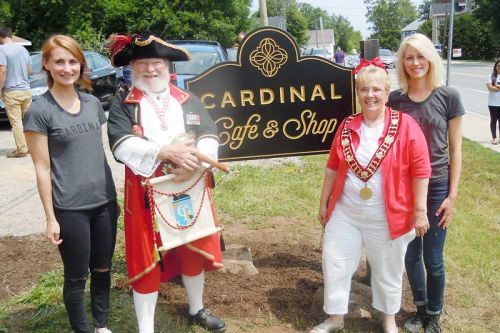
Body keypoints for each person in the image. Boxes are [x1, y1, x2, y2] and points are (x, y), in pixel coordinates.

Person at [106, 33, 225, 333]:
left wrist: (198, 160)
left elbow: (209, 134)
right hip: (146, 194)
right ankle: (146, 328)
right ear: (132, 67)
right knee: (145, 258)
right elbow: (120, 144)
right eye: (142, 63)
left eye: (156, 63)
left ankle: (197, 308)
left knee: (191, 247)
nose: (150, 70)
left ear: (168, 67)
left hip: (187, 187)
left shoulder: (187, 100)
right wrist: (162, 152)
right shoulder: (124, 104)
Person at [310, 59, 431, 333]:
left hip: (388, 216)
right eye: (364, 90)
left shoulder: (406, 125)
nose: (370, 95)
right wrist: (324, 203)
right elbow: (332, 166)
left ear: (387, 93)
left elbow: (422, 170)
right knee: (335, 262)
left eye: (377, 89)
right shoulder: (347, 125)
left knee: (388, 270)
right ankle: (335, 319)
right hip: (346, 212)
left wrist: (420, 211)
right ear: (358, 93)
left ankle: (388, 321)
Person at [23, 35, 118, 333]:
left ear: (81, 64)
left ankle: (101, 325)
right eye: (60, 62)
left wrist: (114, 198)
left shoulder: (92, 104)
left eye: (72, 61)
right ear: (47, 65)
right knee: (77, 277)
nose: (67, 68)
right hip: (70, 209)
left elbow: (96, 153)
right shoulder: (39, 111)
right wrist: (51, 217)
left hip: (104, 203)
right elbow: (41, 167)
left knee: (102, 269)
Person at [388, 33, 465, 333]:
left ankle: (434, 314)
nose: (415, 62)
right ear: (403, 63)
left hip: (437, 187)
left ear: (430, 59)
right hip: (405, 188)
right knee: (410, 253)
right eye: (409, 57)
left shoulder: (449, 97)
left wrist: (452, 195)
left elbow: (456, 149)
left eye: (421, 56)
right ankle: (420, 309)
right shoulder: (395, 101)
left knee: (433, 256)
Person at [0, 26, 32, 158]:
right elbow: (30, 70)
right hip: (26, 90)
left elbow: (2, 70)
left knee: (16, 122)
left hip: (12, 91)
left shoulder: (1, 49)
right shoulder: (23, 49)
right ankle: (32, 146)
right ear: (10, 35)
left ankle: (22, 149)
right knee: (29, 120)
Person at [486, 60, 500, 144]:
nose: (499, 67)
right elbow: (490, 88)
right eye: (498, 65)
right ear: (495, 66)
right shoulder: (490, 76)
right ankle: (494, 138)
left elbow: (493, 88)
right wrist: (497, 87)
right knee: (493, 121)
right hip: (493, 103)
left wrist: (496, 87)